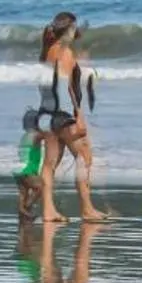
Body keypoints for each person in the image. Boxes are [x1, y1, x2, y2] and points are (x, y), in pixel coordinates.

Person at [36, 12, 107, 223]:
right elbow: (67, 88)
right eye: (74, 28)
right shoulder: (64, 54)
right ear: (68, 30)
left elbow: (47, 86)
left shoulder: (47, 51)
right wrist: (79, 116)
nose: (76, 31)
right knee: (84, 158)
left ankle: (48, 210)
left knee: (49, 165)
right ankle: (87, 208)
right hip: (65, 114)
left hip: (48, 113)